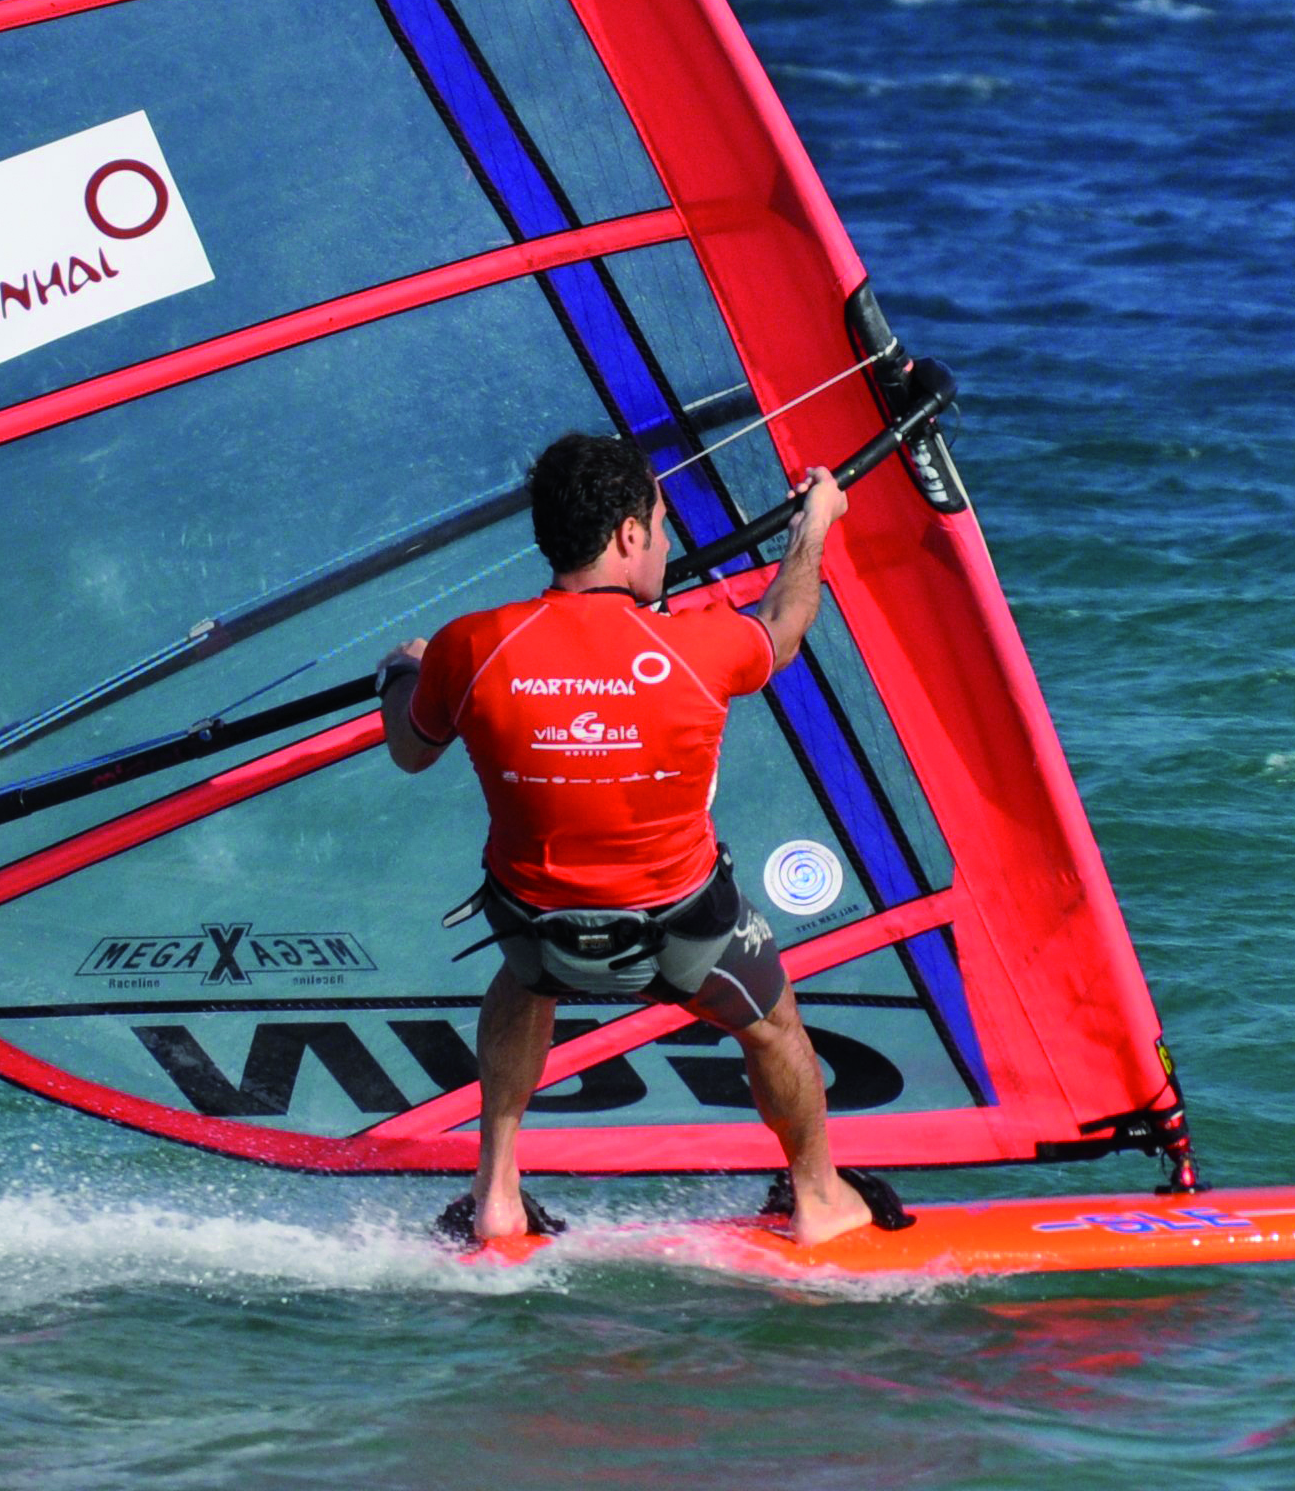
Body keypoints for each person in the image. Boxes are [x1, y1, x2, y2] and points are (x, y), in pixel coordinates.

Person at [379, 430, 908, 1250]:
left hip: (540, 934)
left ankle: (497, 1194)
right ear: (628, 535)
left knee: (521, 985)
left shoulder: (471, 647)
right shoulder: (700, 642)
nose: (664, 544)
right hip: (687, 934)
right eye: (661, 527)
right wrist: (816, 524)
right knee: (773, 1023)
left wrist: (405, 672)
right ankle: (818, 1197)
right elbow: (787, 622)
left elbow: (411, 751)